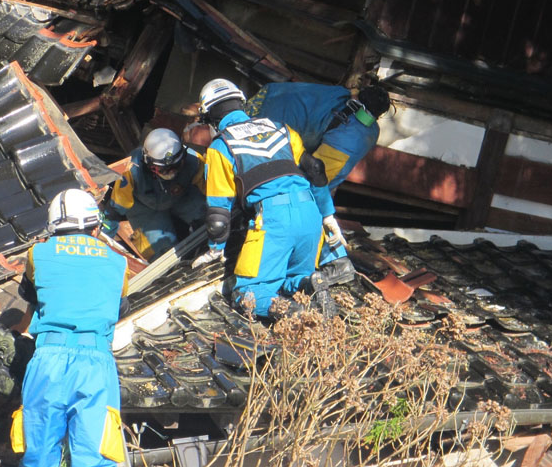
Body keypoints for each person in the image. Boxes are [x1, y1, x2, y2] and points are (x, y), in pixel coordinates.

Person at [10, 189, 129, 467]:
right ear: (95, 226)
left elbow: (29, 295)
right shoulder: (117, 261)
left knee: (35, 466)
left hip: (47, 360)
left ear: (53, 227)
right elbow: (118, 308)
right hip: (95, 365)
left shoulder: (38, 253)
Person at [191, 78, 337, 319]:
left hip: (274, 219)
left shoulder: (221, 146)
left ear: (210, 118)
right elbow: (315, 168)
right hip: (310, 211)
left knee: (247, 296)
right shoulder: (281, 128)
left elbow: (219, 213)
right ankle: (311, 281)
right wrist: (328, 215)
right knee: (292, 277)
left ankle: (295, 314)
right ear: (241, 103)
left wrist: (215, 250)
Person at [246, 80, 391, 284]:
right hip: (270, 127)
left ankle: (333, 259)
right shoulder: (356, 134)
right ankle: (333, 260)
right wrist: (326, 213)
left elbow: (316, 176)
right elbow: (315, 183)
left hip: (268, 97)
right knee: (303, 199)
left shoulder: (341, 100)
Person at [101, 128, 205, 260]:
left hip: (183, 196)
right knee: (163, 255)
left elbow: (212, 193)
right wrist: (103, 240)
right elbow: (115, 210)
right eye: (164, 169)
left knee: (208, 220)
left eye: (176, 166)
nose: (171, 173)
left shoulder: (194, 160)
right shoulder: (131, 170)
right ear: (148, 163)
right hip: (144, 208)